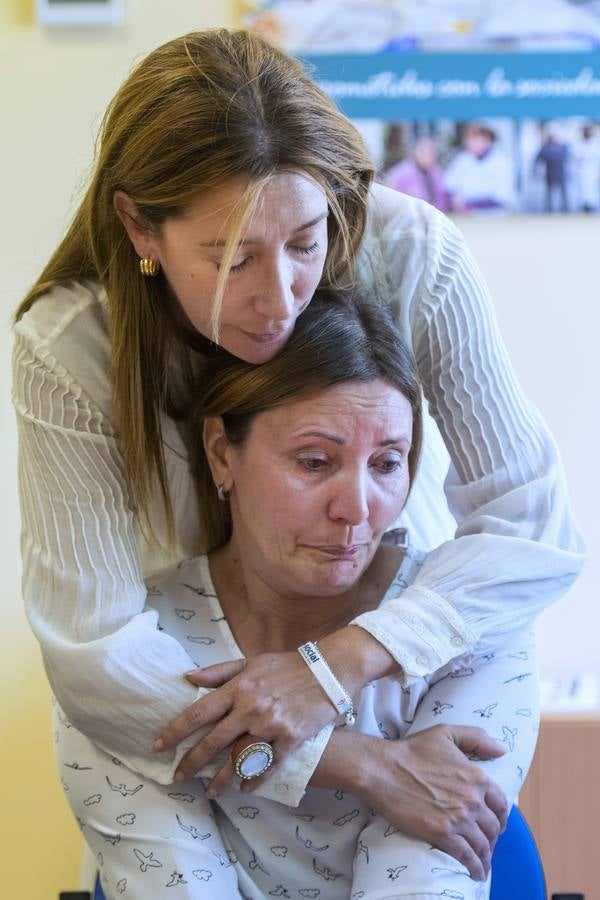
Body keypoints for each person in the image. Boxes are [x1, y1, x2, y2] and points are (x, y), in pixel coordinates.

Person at [13, 26, 583, 879]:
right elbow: (94, 651)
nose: (278, 298)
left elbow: (535, 526)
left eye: (306, 243)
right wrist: (355, 760)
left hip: (400, 657)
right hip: (195, 698)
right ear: (140, 227)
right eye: (231, 256)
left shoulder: (411, 252)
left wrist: (335, 668)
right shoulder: (70, 350)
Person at [56, 293, 537, 900]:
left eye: (388, 463)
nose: (357, 510)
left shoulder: (472, 625)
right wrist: (364, 765)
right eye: (315, 461)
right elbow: (174, 887)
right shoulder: (133, 651)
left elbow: (421, 885)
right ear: (221, 452)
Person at [445, 121, 516, 213]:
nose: (469, 142)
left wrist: (471, 205)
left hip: (493, 216)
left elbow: (501, 198)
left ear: (487, 139)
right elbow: (449, 188)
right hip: (464, 216)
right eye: (468, 138)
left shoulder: (503, 163)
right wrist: (455, 201)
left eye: (475, 138)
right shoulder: (461, 159)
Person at [384, 137, 449, 211]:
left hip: (434, 215)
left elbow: (442, 198)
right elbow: (389, 195)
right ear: (416, 153)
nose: (428, 157)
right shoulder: (400, 173)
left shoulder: (437, 173)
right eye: (424, 153)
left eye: (431, 154)